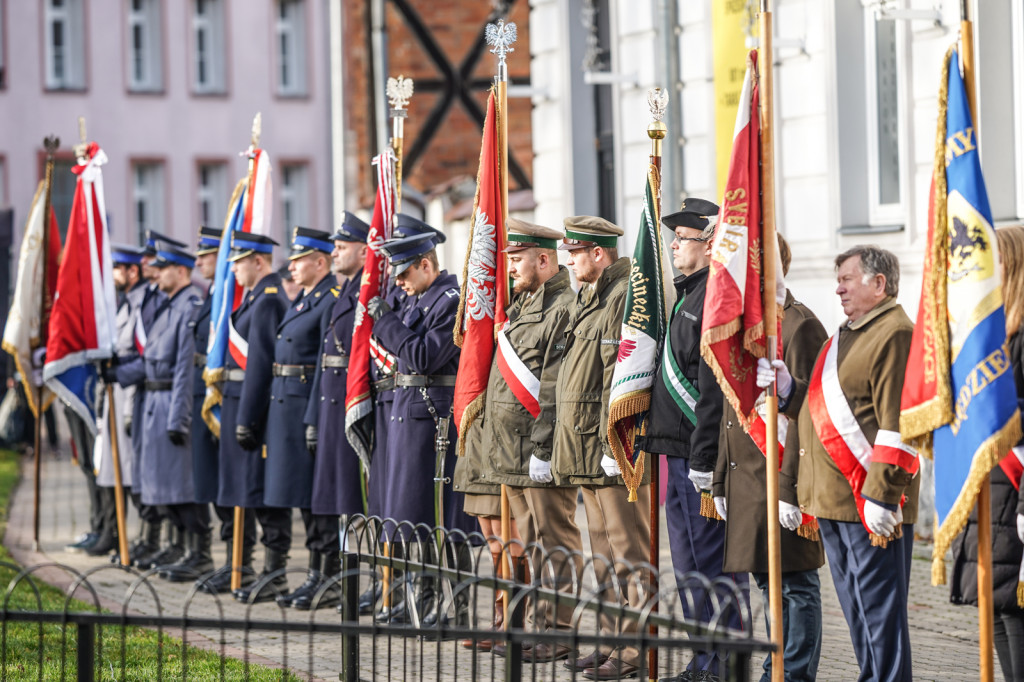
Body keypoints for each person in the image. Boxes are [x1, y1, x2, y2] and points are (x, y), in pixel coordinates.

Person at [788, 245, 919, 682]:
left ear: (878, 283)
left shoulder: (895, 333)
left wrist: (883, 495)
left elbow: (897, 422)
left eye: (847, 278)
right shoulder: (846, 333)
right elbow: (811, 413)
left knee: (881, 617)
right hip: (832, 500)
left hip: (869, 503)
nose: (838, 287)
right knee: (858, 613)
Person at [712, 233, 827, 682]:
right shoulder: (743, 325)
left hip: (781, 478)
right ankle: (774, 665)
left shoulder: (799, 325)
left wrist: (789, 490)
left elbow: (806, 415)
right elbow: (730, 406)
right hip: (746, 479)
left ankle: (791, 673)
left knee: (796, 585)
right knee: (767, 582)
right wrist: (722, 478)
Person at [643, 198, 747, 680]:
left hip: (698, 459)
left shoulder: (712, 300)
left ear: (708, 244)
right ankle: (704, 659)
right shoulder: (687, 294)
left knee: (713, 568)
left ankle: (726, 663)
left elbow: (711, 390)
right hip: (675, 453)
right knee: (688, 568)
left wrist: (705, 459)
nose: (672, 245)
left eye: (682, 238)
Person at [467, 218, 580, 659]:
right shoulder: (522, 306)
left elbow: (552, 385)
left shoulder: (561, 308)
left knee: (555, 539)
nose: (509, 268)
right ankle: (537, 625)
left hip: (537, 448)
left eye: (516, 259)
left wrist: (543, 447)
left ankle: (559, 630)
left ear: (544, 259)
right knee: (531, 543)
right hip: (509, 450)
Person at [549, 215, 649, 680]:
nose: (569, 261)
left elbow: (619, 375)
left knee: (629, 554)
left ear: (598, 252)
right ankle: (611, 642)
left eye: (575, 252)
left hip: (609, 446)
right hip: (585, 447)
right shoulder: (592, 297)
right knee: (603, 556)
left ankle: (635, 651)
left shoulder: (622, 295)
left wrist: (616, 439)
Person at [367, 218, 476, 626]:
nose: (398, 283)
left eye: (404, 272)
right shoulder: (416, 299)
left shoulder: (449, 300)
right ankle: (425, 598)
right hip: (409, 413)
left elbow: (424, 356)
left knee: (444, 516)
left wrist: (387, 322)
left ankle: (460, 610)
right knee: (415, 514)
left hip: (434, 419)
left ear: (426, 264)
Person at [949, 225, 1024, 682]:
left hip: (1014, 487)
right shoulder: (990, 333)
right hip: (988, 485)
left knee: (1014, 607)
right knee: (993, 605)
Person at [115, 243, 210, 579]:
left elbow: (185, 367)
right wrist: (117, 371)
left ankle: (198, 554)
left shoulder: (189, 306)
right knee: (161, 485)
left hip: (172, 401)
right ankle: (181, 549)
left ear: (181, 271)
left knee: (181, 486)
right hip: (154, 401)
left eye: (163, 267)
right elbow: (150, 359)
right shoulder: (168, 304)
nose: (156, 272)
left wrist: (178, 418)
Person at [293, 213, 370, 611]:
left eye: (341, 247)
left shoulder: (364, 292)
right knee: (340, 503)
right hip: (331, 404)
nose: (335, 252)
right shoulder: (346, 293)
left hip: (350, 404)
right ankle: (343, 580)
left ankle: (359, 581)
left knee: (355, 504)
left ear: (363, 250)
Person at [263, 227, 338, 608]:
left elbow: (325, 366)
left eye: (298, 259)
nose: (291, 266)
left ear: (320, 262)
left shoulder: (330, 300)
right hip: (286, 407)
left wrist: (313, 417)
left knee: (316, 497)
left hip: (307, 406)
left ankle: (328, 575)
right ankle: (314, 573)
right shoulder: (305, 299)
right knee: (302, 498)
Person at [214, 232, 284, 600]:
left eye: (239, 262)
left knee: (261, 492)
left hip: (254, 406)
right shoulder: (254, 298)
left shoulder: (268, 300)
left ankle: (275, 572)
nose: (235, 270)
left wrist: (249, 418)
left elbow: (259, 365)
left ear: (259, 261)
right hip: (239, 401)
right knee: (244, 488)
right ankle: (241, 565)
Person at [161, 226, 231, 583]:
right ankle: (205, 556)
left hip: (216, 396)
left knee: (222, 484)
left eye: (206, 255)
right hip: (200, 395)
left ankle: (229, 561)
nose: (200, 261)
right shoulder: (212, 294)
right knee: (207, 483)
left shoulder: (226, 295)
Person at [91, 244, 143, 561]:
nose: (114, 276)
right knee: (111, 469)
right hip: (115, 390)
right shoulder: (119, 303)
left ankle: (143, 538)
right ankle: (113, 533)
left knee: (130, 471)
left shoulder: (140, 303)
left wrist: (117, 370)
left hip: (130, 392)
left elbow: (141, 353)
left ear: (131, 271)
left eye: (118, 269)